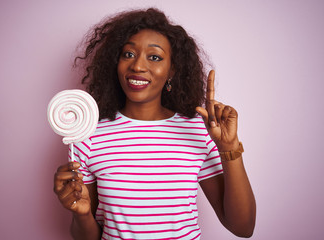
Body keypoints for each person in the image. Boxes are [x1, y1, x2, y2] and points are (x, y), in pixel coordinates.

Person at [54, 8, 256, 240]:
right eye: (128, 54)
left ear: (172, 70)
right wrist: (80, 214)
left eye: (154, 57)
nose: (138, 66)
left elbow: (243, 227)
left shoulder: (197, 131)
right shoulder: (88, 135)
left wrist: (229, 148)